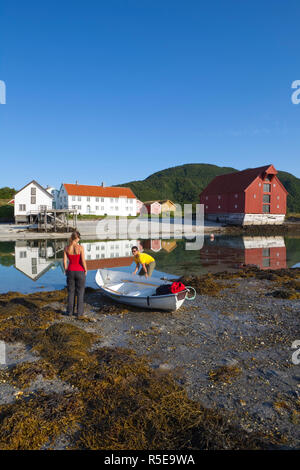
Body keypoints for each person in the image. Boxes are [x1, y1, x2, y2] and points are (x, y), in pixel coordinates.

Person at [63, 230, 87, 317]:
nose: (79, 239)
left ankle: (69, 312)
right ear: (77, 238)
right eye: (79, 238)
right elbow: (83, 261)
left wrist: (66, 270)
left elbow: (64, 261)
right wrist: (86, 269)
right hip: (80, 271)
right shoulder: (80, 248)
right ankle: (79, 313)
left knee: (71, 292)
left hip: (70, 271)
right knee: (80, 292)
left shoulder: (66, 248)